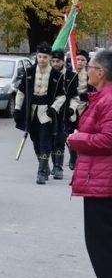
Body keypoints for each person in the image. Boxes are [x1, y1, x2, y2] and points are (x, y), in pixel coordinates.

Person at [67, 49, 112, 278]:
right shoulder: (103, 97)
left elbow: (108, 139)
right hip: (100, 179)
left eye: (91, 66)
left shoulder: (109, 99)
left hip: (103, 182)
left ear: (101, 72)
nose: (87, 70)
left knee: (101, 244)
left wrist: (77, 139)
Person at [14, 43, 68, 184]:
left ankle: (42, 172)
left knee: (45, 140)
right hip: (31, 111)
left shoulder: (57, 75)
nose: (42, 59)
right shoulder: (29, 72)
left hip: (46, 113)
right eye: (39, 56)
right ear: (36, 57)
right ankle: (44, 164)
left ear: (50, 58)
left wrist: (53, 108)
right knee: (35, 140)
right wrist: (17, 109)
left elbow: (62, 96)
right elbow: (21, 92)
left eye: (45, 57)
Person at [49, 49, 77, 180]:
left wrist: (72, 108)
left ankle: (58, 167)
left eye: (58, 61)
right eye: (53, 61)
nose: (55, 64)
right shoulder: (47, 74)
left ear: (63, 62)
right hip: (49, 113)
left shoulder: (71, 76)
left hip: (64, 114)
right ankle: (51, 164)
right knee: (50, 140)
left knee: (60, 139)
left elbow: (75, 96)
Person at [69, 50, 96, 171]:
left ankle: (81, 155)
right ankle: (73, 156)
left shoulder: (91, 74)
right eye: (78, 59)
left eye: (82, 60)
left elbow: (95, 90)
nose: (79, 62)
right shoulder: (70, 73)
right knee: (70, 130)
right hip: (72, 106)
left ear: (87, 62)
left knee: (84, 131)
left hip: (86, 105)